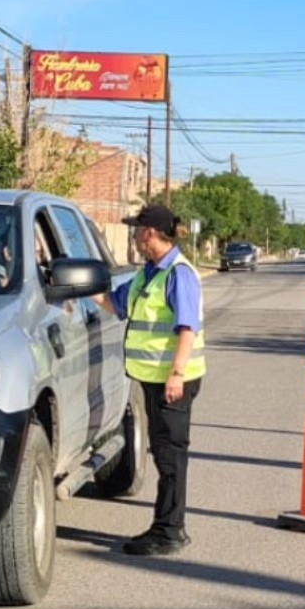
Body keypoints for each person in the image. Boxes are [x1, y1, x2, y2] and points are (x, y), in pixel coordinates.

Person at [92, 203, 205, 557]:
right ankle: (167, 525)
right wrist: (79, 290)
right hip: (154, 379)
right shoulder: (149, 274)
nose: (133, 236)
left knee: (171, 457)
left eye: (137, 230)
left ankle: (169, 531)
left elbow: (187, 328)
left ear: (150, 234)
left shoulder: (178, 274)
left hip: (172, 381)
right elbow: (115, 303)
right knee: (164, 454)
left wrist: (176, 374)